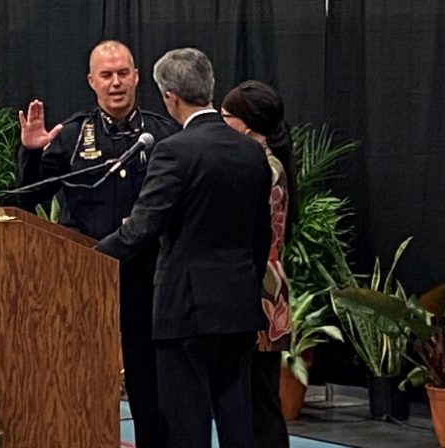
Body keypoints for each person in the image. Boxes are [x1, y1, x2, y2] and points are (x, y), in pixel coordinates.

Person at [96, 48, 272, 448]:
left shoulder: (174, 150)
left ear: (169, 96)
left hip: (186, 311)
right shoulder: (250, 151)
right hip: (239, 305)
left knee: (187, 423)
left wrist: (86, 260)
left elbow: (141, 228)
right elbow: (261, 236)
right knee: (236, 418)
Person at [16, 40, 178, 448]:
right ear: (92, 82)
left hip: (147, 280)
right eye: (106, 75)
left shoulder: (163, 134)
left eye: (123, 73)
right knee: (83, 382)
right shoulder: (70, 135)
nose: (116, 82)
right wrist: (33, 153)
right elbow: (28, 198)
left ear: (137, 77)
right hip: (84, 279)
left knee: (150, 388)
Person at [221, 80, 298, 448]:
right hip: (268, 284)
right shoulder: (270, 162)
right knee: (256, 396)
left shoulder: (259, 167)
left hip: (258, 287)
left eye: (225, 117)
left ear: (247, 125)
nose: (220, 124)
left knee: (259, 399)